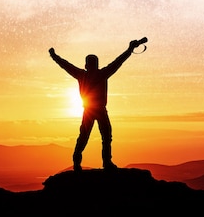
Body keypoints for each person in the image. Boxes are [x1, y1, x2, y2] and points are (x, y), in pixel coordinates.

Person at [49, 39, 146, 171]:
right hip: (98, 110)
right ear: (96, 65)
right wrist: (129, 50)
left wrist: (54, 56)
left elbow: (66, 65)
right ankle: (105, 162)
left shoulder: (82, 74)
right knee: (104, 136)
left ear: (86, 65)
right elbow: (118, 62)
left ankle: (81, 163)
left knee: (87, 136)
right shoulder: (102, 74)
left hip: (90, 110)